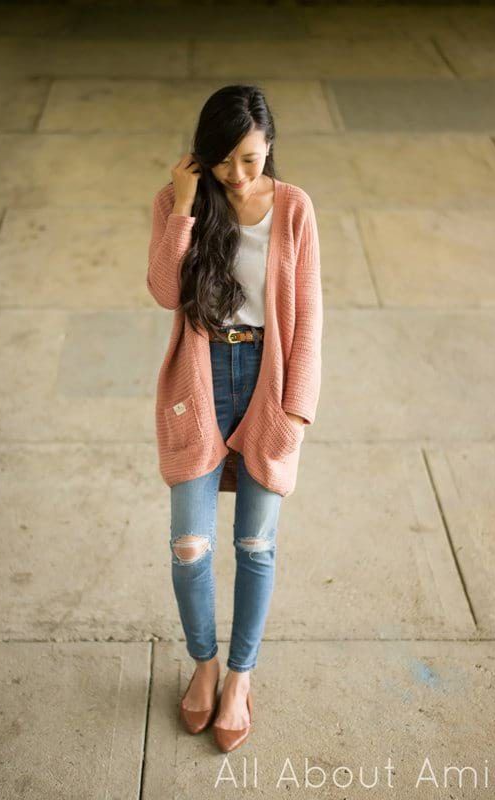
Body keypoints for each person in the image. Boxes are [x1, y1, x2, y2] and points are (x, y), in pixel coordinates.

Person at [147, 84, 323, 752]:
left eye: (251, 159)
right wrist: (187, 206)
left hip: (266, 382)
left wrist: (295, 413)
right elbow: (166, 291)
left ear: (269, 147)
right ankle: (204, 665)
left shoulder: (295, 208)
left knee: (255, 545)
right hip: (199, 381)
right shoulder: (179, 202)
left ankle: (240, 678)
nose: (238, 175)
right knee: (189, 547)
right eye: (224, 161)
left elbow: (308, 319)